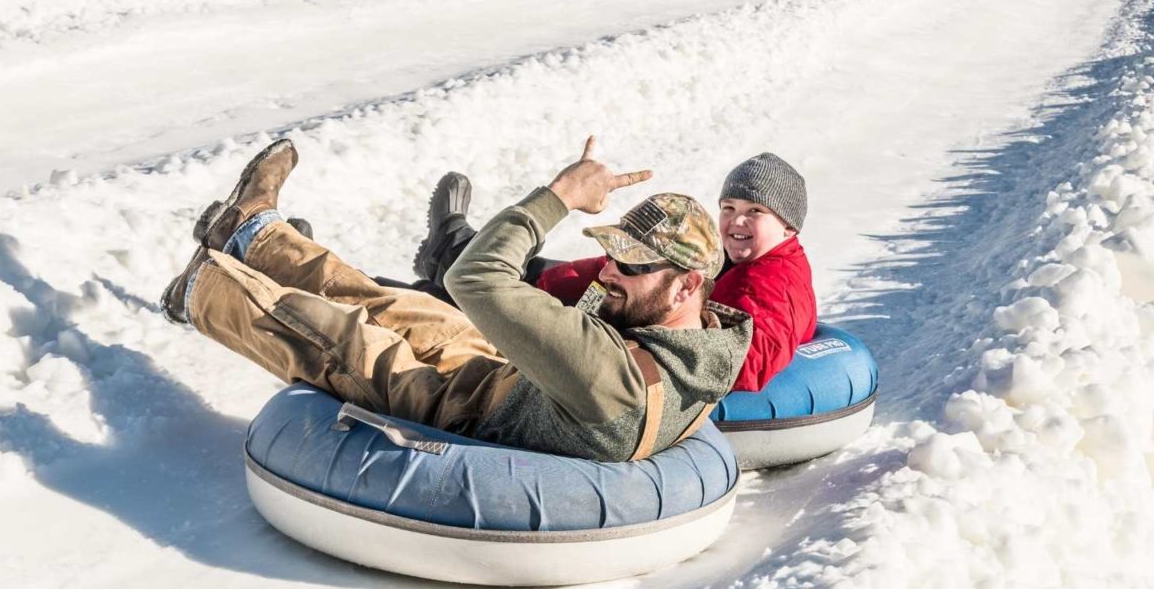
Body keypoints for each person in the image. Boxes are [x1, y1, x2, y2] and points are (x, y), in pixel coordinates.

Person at [160, 136, 752, 463]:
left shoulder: (607, 370)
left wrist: (560, 197)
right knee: (389, 303)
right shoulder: (703, 340)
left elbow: (474, 276)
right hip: (517, 382)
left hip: (466, 414)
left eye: (632, 264)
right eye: (613, 256)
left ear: (685, 284)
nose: (611, 272)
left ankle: (200, 290)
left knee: (340, 337)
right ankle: (250, 230)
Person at [412, 152, 816, 392]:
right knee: (586, 274)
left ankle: (450, 261)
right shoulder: (751, 260)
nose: (735, 221)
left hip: (638, 361)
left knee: (527, 299)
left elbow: (747, 364)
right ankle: (453, 259)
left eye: (754, 212)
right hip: (640, 321)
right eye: (729, 208)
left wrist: (635, 343)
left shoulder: (773, 281)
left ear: (788, 226)